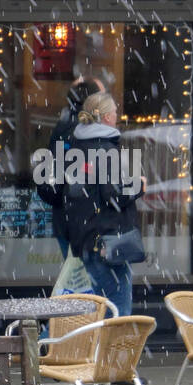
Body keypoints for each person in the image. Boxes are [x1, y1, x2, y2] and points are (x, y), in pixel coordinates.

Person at [59, 92, 144, 315]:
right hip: (108, 245)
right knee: (118, 314)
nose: (117, 115)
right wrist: (139, 186)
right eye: (115, 111)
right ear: (106, 117)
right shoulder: (106, 150)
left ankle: (82, 347)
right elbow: (114, 196)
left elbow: (75, 195)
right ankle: (112, 350)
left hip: (87, 242)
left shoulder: (76, 148)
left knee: (93, 312)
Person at [38, 76, 104, 257]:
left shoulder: (63, 125)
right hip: (84, 223)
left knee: (75, 278)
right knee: (87, 279)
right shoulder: (88, 131)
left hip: (65, 218)